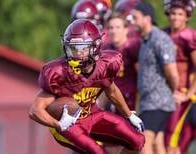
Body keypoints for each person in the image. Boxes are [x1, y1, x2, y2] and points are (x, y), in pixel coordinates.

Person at [29, 19, 145, 154]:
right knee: (97, 151)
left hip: (92, 114)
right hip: (69, 124)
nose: (76, 54)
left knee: (137, 140)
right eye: (72, 49)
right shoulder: (59, 72)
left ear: (95, 47)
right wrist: (59, 125)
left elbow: (112, 90)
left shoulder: (105, 65)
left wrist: (129, 115)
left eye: (81, 49)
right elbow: (35, 110)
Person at [131, 2, 179, 154]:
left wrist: (172, 92)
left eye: (135, 17)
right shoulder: (145, 39)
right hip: (148, 102)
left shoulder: (160, 39)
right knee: (158, 145)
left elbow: (172, 72)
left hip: (158, 102)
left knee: (143, 141)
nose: (132, 21)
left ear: (147, 18)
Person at [162, 0, 196, 153]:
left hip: (181, 93)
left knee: (172, 137)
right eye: (174, 13)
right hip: (163, 93)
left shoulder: (188, 35)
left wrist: (188, 94)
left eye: (180, 14)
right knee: (160, 138)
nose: (175, 17)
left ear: (187, 17)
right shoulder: (163, 33)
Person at [103, 13, 141, 113]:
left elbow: (142, 76)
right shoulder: (106, 50)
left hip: (131, 99)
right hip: (112, 98)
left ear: (126, 29)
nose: (114, 31)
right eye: (111, 28)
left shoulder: (132, 46)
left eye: (117, 27)